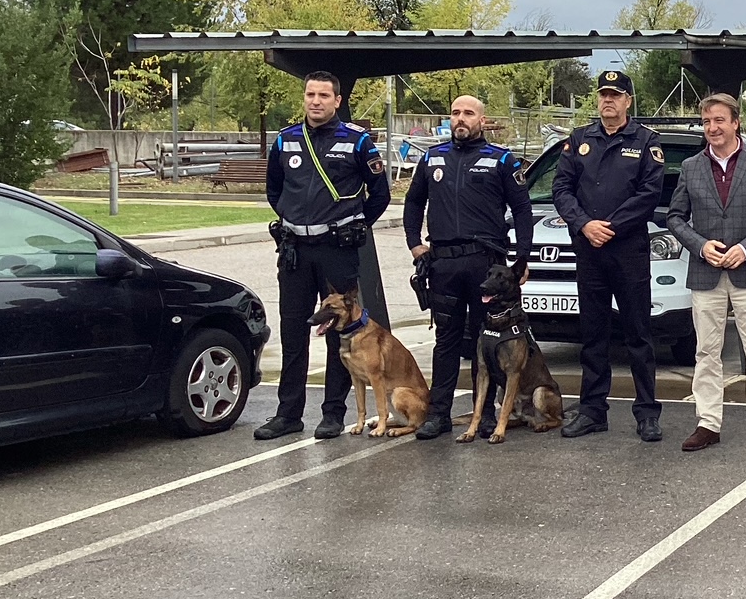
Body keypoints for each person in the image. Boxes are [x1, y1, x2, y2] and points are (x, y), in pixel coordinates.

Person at [254, 71, 391, 441]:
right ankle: (288, 414)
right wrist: (293, 220)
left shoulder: (358, 141)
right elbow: (274, 189)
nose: (315, 101)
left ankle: (333, 413)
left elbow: (380, 194)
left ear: (337, 99)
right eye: (310, 94)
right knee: (293, 329)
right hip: (296, 250)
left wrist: (357, 225)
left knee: (339, 334)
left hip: (337, 249)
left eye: (323, 95)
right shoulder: (285, 140)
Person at [665, 93, 746, 453]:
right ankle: (708, 423)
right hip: (705, 273)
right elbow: (674, 217)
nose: (712, 128)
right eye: (706, 122)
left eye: (719, 120)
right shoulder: (690, 167)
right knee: (706, 351)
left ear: (736, 123)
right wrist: (700, 245)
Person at [403, 95, 533, 440]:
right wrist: (414, 244)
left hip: (485, 264)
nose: (462, 119)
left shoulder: (501, 160)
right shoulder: (432, 158)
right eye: (456, 113)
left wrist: (521, 259)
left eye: (469, 113)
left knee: (486, 342)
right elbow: (414, 202)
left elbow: (522, 210)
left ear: (482, 119)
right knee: (445, 340)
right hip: (443, 263)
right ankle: (438, 414)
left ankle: (487, 415)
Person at [552, 69, 666, 441]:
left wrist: (610, 226)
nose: (608, 101)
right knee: (593, 335)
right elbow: (562, 189)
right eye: (603, 94)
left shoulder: (646, 141)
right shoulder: (579, 139)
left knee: (637, 335)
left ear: (628, 101)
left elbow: (649, 195)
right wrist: (585, 224)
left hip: (627, 251)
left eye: (615, 95)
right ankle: (592, 411)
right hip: (589, 251)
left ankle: (647, 413)